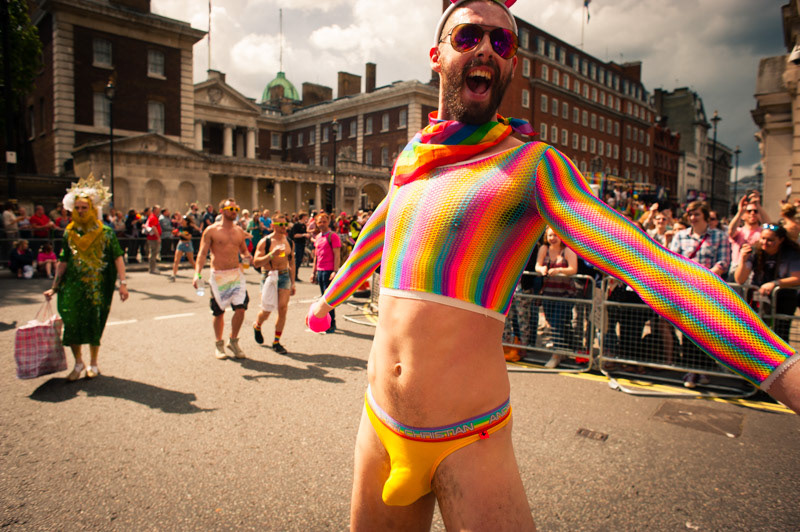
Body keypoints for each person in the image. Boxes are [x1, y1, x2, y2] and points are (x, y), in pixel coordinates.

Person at [307, 1, 800, 529]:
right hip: (379, 421)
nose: (485, 50)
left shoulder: (534, 165)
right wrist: (328, 297)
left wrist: (784, 371)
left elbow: (654, 266)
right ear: (438, 55)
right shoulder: (412, 157)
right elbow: (381, 232)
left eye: (501, 43)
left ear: (512, 66)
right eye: (468, 35)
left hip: (468, 437)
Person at [43, 175, 129, 380]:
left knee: (93, 323)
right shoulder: (69, 232)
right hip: (71, 287)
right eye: (77, 208)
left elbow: (118, 258)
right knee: (71, 324)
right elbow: (63, 260)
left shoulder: (106, 232)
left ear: (92, 209)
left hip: (96, 287)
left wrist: (123, 284)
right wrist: (54, 286)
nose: (80, 211)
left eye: (84, 207)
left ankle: (93, 363)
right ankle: (78, 363)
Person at [669, 200, 731, 387]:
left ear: (704, 215)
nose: (692, 218)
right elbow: (673, 259)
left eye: (696, 214)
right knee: (688, 330)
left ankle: (704, 369)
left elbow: (724, 261)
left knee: (707, 331)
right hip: (687, 290)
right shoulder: (680, 236)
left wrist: (706, 276)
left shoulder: (719, 236)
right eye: (690, 214)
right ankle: (691, 370)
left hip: (709, 290)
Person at [192, 198, 252, 360]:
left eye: (236, 209)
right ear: (222, 210)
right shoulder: (211, 230)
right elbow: (202, 254)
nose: (234, 211)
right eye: (230, 208)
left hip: (236, 275)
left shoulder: (239, 231)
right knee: (219, 312)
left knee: (241, 308)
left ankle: (233, 341)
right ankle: (219, 344)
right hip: (218, 276)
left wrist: (247, 257)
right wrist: (197, 274)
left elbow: (244, 251)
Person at [735, 223, 800, 342]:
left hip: (783, 300)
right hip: (758, 300)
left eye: (770, 240)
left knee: (779, 336)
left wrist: (775, 283)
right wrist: (743, 260)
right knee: (755, 335)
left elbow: (797, 277)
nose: (765, 242)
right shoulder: (755, 251)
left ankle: (780, 360)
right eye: (763, 238)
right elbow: (740, 279)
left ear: (781, 240)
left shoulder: (791, 254)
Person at [534, 226, 578, 368]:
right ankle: (565, 348)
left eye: (556, 235)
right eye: (550, 235)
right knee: (552, 322)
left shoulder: (567, 250)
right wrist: (541, 269)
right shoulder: (544, 249)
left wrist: (559, 270)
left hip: (564, 294)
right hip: (548, 292)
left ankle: (556, 355)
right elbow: (537, 265)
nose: (553, 238)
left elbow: (573, 269)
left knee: (557, 322)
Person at [252, 213, 296, 354]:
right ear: (273, 225)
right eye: (280, 225)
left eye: (285, 224)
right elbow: (256, 262)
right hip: (269, 276)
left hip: (283, 276)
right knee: (266, 310)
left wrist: (293, 282)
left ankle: (276, 342)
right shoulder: (266, 242)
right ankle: (257, 326)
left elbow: (292, 263)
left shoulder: (289, 241)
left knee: (283, 308)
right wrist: (272, 255)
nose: (284, 227)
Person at [309, 212, 340, 334]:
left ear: (328, 222)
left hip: (329, 270)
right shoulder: (318, 237)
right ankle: (326, 322)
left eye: (324, 221)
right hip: (320, 271)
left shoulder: (333, 236)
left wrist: (335, 271)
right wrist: (313, 272)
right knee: (323, 297)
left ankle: (332, 323)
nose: (322, 224)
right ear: (316, 224)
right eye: (319, 222)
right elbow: (316, 256)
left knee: (328, 299)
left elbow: (337, 254)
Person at [728, 193, 768, 279]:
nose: (752, 213)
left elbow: (770, 227)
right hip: (737, 267)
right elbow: (730, 232)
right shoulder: (739, 231)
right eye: (749, 211)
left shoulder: (763, 232)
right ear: (743, 216)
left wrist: (758, 206)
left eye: (755, 211)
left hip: (757, 269)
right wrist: (740, 212)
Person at [170, 216, 196, 281]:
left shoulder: (190, 228)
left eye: (183, 220)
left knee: (191, 261)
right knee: (176, 260)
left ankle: (198, 274)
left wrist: (181, 234)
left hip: (187, 244)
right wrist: (174, 232)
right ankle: (173, 275)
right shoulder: (180, 227)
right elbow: (176, 232)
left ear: (186, 221)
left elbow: (189, 237)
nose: (181, 221)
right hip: (181, 243)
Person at [289, 211, 310, 281]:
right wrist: (304, 235)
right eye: (306, 216)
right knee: (297, 260)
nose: (307, 218)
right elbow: (295, 235)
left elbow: (305, 233)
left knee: (300, 260)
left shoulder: (304, 225)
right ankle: (293, 275)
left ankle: (295, 275)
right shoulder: (296, 225)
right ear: (303, 217)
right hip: (297, 244)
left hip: (302, 243)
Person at [144, 205, 162, 274]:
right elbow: (154, 228)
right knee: (153, 253)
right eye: (158, 210)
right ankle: (152, 268)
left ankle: (153, 267)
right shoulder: (153, 217)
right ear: (155, 210)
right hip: (153, 238)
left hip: (154, 238)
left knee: (154, 253)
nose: (159, 211)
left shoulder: (153, 217)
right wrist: (158, 237)